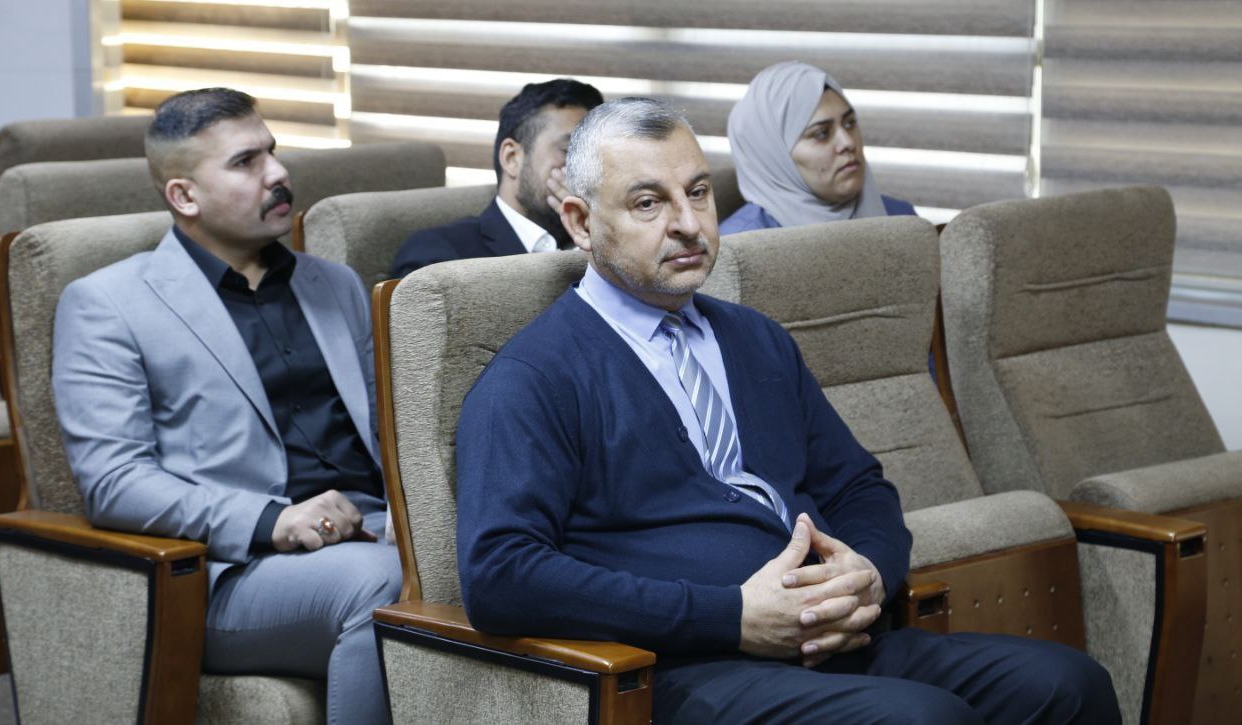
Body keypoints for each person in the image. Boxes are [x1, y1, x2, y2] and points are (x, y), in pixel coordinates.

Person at [455, 97, 1119, 723]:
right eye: (648, 203)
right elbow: (500, 574)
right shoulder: (534, 376)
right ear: (580, 222)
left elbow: (859, 487)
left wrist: (869, 573)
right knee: (923, 719)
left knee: (1068, 683)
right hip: (686, 666)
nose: (688, 223)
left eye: (697, 192)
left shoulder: (755, 338)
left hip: (831, 640)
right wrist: (730, 615)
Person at [53, 88, 401, 725]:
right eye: (245, 162)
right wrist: (273, 519)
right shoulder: (108, 303)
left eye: (272, 152)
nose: (278, 173)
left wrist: (416, 517)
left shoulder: (336, 284)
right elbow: (114, 482)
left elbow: (390, 434)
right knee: (384, 583)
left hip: (373, 531)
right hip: (234, 572)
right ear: (184, 196)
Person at [389, 78, 603, 278]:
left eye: (596, 157)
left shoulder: (601, 245)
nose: (587, 169)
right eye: (569, 151)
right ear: (512, 158)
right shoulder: (438, 256)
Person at [722, 60, 915, 236]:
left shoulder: (901, 219)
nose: (848, 142)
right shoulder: (741, 247)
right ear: (776, 157)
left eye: (849, 123)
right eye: (821, 134)